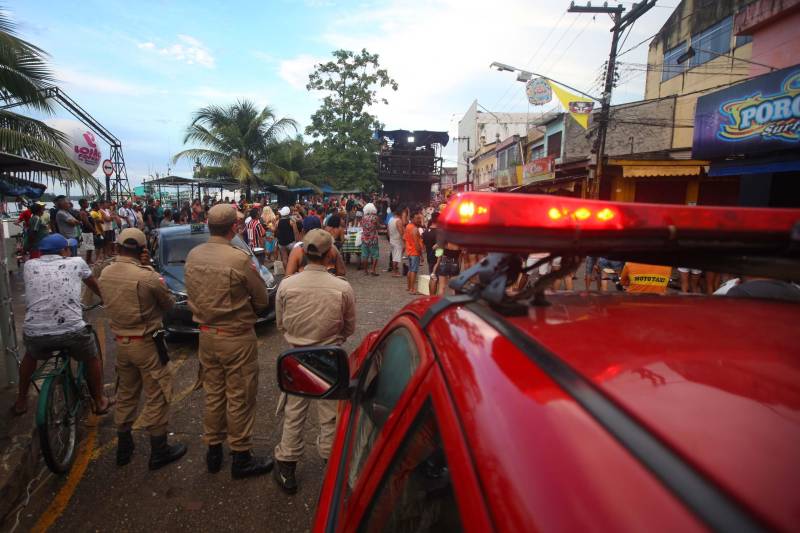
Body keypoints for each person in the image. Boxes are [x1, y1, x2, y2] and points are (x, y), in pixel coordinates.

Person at [184, 204, 272, 478]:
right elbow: (261, 300)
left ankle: (213, 450)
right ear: (234, 227)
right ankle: (241, 456)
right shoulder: (239, 259)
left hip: (207, 336)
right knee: (240, 397)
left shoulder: (194, 255)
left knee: (213, 394)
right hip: (235, 337)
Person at [273, 229, 356, 493]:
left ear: (303, 252)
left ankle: (287, 466)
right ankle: (330, 465)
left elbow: (280, 323)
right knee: (329, 416)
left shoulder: (287, 285)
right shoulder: (342, 287)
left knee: (293, 413)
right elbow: (349, 327)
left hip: (296, 357)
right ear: (330, 252)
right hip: (329, 358)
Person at [99, 228, 187, 470]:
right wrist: (148, 267)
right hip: (146, 342)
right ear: (142, 250)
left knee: (126, 393)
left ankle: (124, 446)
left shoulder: (105, 272)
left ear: (117, 247)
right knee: (158, 392)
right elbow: (167, 303)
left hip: (122, 343)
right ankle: (159, 450)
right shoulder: (146, 276)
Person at [13, 234, 112, 416]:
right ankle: (99, 400)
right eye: (68, 248)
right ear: (63, 250)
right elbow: (93, 284)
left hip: (35, 332)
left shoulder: (29, 265)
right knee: (91, 358)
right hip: (71, 331)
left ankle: (21, 401)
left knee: (30, 356)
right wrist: (106, 299)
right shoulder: (76, 262)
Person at [404, 211, 424, 295]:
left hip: (409, 251)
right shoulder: (415, 229)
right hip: (414, 252)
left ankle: (409, 287)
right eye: (417, 218)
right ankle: (412, 289)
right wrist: (421, 255)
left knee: (410, 270)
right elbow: (416, 244)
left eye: (419, 218)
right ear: (412, 219)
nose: (419, 220)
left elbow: (404, 238)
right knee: (414, 271)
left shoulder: (408, 226)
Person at [360, 203, 380, 276]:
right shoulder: (375, 217)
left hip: (364, 238)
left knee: (365, 255)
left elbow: (362, 226)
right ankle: (373, 270)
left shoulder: (363, 218)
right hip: (373, 238)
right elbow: (378, 226)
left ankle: (365, 271)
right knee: (375, 255)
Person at [387, 206, 405, 277]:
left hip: (392, 239)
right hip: (398, 240)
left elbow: (388, 231)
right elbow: (401, 232)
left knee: (394, 255)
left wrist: (390, 237)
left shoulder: (391, 219)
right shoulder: (398, 221)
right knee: (396, 257)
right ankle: (395, 272)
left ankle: (395, 270)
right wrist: (405, 241)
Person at [77, 199, 96, 264]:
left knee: (90, 247)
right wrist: (93, 230)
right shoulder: (82, 212)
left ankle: (89, 259)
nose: (87, 204)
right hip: (87, 231)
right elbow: (86, 222)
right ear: (82, 204)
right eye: (86, 203)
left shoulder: (86, 211)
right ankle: (88, 260)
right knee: (89, 247)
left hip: (89, 231)